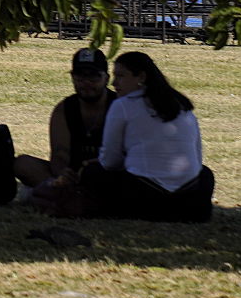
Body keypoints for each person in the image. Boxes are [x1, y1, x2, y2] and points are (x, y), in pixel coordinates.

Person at [82, 50, 215, 222]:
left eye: (121, 76)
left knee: (92, 172)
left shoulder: (123, 105)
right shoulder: (182, 106)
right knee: (205, 173)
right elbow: (196, 158)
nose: (114, 83)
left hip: (143, 196)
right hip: (188, 198)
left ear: (141, 77)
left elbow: (110, 161)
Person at [13, 46, 113, 204]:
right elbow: (59, 156)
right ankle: (66, 195)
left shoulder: (119, 107)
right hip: (71, 176)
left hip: (108, 175)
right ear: (72, 78)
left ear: (106, 78)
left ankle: (52, 195)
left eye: (94, 77)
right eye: (80, 77)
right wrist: (63, 176)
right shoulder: (64, 110)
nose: (86, 83)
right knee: (23, 163)